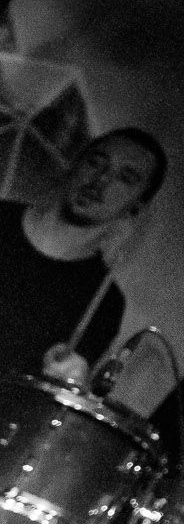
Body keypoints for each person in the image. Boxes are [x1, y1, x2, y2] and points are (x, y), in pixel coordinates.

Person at [0, 125, 167, 381]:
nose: (100, 180)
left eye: (125, 178)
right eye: (95, 163)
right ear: (74, 165)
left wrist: (68, 381)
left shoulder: (103, 306)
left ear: (137, 205)